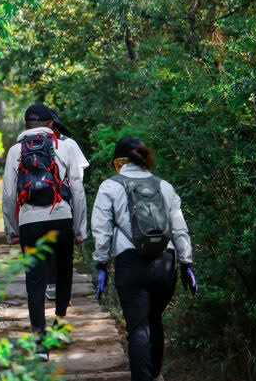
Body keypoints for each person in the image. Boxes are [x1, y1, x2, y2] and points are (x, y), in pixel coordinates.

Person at [91, 137, 198, 381]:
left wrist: (101, 264)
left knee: (138, 328)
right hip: (166, 264)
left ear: (118, 162)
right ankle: (156, 375)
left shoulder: (110, 186)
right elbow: (179, 229)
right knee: (154, 320)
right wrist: (187, 265)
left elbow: (101, 229)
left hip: (131, 264)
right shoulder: (165, 186)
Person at [2, 103, 87, 360]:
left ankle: (40, 345)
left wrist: (11, 229)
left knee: (35, 282)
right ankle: (59, 324)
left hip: (30, 221)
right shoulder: (67, 146)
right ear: (51, 123)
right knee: (63, 272)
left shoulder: (16, 150)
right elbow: (77, 190)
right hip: (61, 217)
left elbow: (8, 194)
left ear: (26, 125)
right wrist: (80, 228)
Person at [45, 109, 89, 302]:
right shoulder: (69, 144)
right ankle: (62, 289)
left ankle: (50, 284)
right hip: (64, 203)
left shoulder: (28, 144)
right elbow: (78, 179)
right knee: (63, 247)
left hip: (38, 203)